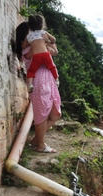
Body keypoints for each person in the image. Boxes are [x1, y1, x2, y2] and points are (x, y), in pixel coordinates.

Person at [15, 22, 61, 153]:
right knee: (42, 114)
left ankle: (36, 140)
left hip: (50, 80)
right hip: (38, 81)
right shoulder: (27, 50)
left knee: (55, 113)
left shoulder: (39, 45)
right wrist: (44, 43)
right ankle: (41, 145)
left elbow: (54, 51)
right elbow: (48, 51)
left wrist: (47, 41)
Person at [25, 15, 58, 93]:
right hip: (46, 54)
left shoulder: (28, 35)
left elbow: (24, 45)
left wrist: (30, 44)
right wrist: (48, 41)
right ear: (42, 25)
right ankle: (56, 80)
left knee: (31, 71)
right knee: (52, 67)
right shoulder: (43, 32)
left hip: (36, 56)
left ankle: (29, 84)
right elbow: (54, 40)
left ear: (29, 25)